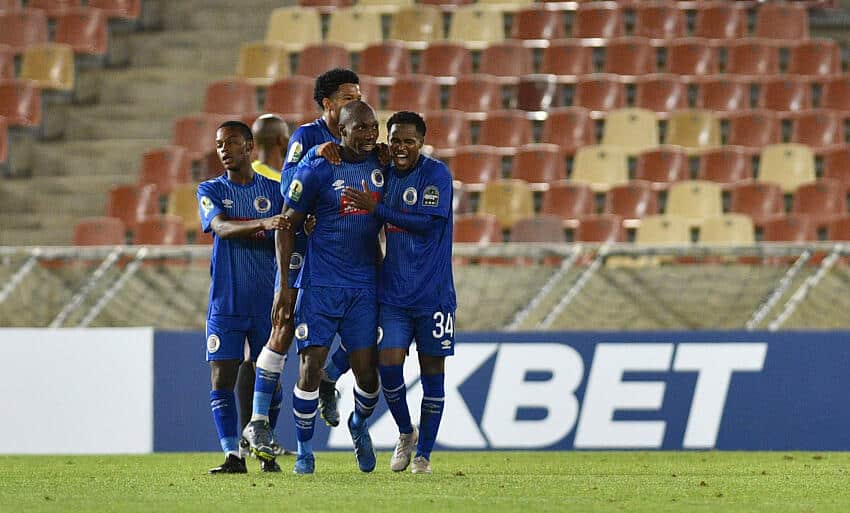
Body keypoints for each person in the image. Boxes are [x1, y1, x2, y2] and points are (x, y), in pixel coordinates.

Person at [244, 100, 385, 475]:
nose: (370, 134)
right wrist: (285, 286)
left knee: (369, 376)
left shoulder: (383, 166)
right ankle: (306, 452)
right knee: (308, 367)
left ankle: (358, 424)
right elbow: (286, 224)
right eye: (361, 128)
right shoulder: (318, 168)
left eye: (374, 127)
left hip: (364, 286)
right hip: (320, 284)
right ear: (341, 130)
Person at [342, 111, 456, 474]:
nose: (402, 147)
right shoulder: (385, 173)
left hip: (434, 295)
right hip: (393, 295)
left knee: (432, 373)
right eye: (396, 140)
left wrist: (379, 208)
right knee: (388, 367)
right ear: (388, 142)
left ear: (421, 142)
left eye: (409, 140)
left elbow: (426, 225)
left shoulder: (436, 174)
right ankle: (406, 432)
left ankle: (423, 454)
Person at [198, 120, 288, 474]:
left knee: (272, 380)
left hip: (266, 302)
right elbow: (220, 227)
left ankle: (264, 450)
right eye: (219, 144)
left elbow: (287, 235)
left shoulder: (275, 190)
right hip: (226, 301)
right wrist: (263, 223)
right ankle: (233, 455)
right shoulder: (210, 188)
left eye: (231, 143)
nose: (223, 150)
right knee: (222, 376)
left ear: (250, 147)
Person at [279, 68, 363, 429]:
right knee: (297, 336)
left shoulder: (362, 137)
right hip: (314, 252)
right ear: (328, 104)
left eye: (359, 96)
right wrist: (315, 154)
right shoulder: (307, 136)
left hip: (357, 251)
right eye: (348, 98)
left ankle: (330, 377)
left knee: (369, 334)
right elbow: (287, 186)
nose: (356, 103)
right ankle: (270, 420)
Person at [232, 114, 293, 460]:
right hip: (272, 280)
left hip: (240, 280)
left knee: (252, 360)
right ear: (283, 143)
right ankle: (257, 437)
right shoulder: (281, 183)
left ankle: (249, 439)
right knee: (267, 360)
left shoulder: (240, 179)